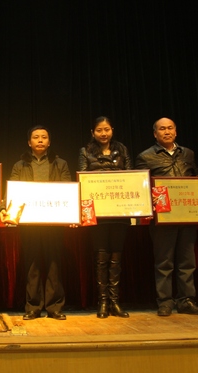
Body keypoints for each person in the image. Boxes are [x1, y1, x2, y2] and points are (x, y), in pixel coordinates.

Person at [135, 118, 198, 317]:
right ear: (155, 134)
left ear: (176, 131)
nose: (166, 132)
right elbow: (140, 186)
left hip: (187, 215)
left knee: (187, 262)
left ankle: (187, 301)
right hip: (163, 217)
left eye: (170, 128)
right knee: (164, 263)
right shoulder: (145, 156)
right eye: (162, 129)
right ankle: (165, 302)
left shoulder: (188, 153)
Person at [5, 126, 70, 320]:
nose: (40, 140)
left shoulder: (60, 164)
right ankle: (33, 306)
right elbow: (13, 192)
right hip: (29, 223)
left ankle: (54, 307)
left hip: (54, 222)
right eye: (36, 137)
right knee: (32, 265)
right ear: (29, 142)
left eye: (44, 137)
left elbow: (68, 191)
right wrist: (8, 212)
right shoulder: (19, 165)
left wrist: (70, 214)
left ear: (49, 142)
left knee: (54, 264)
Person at [77, 116, 132, 318]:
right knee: (101, 257)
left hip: (119, 212)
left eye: (107, 129)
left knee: (116, 257)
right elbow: (82, 180)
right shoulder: (85, 151)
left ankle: (115, 302)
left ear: (112, 130)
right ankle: (102, 302)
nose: (103, 133)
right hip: (98, 214)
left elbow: (131, 178)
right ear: (93, 133)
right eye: (99, 130)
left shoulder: (122, 150)